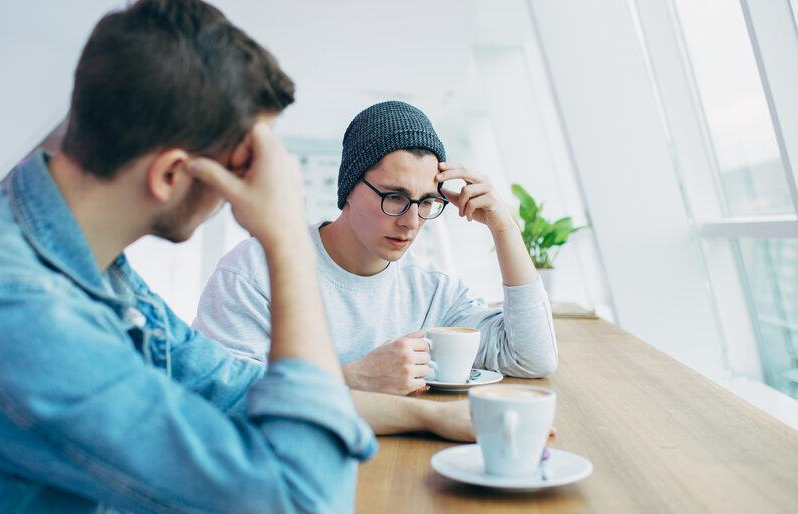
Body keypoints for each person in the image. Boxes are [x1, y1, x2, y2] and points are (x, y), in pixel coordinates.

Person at [0, 1, 379, 514]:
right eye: (246, 168)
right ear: (170, 174)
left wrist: (433, 414)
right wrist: (285, 237)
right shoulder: (19, 315)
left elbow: (239, 391)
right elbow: (305, 500)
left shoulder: (86, 269)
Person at [193, 101, 558, 397]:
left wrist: (504, 228)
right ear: (349, 187)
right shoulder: (254, 269)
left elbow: (531, 358)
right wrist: (354, 377)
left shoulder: (433, 293)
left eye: (426, 202)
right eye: (395, 197)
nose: (412, 221)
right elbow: (216, 391)